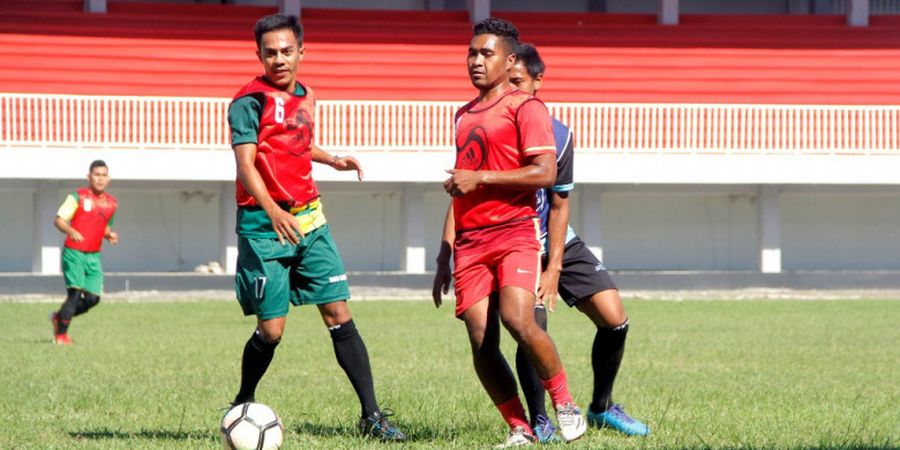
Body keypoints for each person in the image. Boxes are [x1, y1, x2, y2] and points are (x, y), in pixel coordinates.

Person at [226, 14, 404, 441]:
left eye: (287, 51)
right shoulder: (247, 101)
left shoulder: (307, 94)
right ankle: (241, 402)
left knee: (339, 313)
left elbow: (297, 143)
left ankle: (372, 416)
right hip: (265, 225)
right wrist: (272, 209)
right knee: (272, 331)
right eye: (270, 52)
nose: (279, 59)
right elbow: (246, 164)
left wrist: (332, 160)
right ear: (259, 55)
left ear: (301, 53)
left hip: (311, 220)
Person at [432, 18, 587, 447]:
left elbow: (544, 172)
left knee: (518, 319)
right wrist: (445, 257)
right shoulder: (463, 114)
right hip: (470, 243)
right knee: (481, 342)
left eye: (487, 53)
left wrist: (479, 177)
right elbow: (463, 185)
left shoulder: (526, 108)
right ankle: (519, 427)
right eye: (472, 52)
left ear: (510, 59)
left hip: (514, 234)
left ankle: (566, 403)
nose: (477, 61)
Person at [508, 43, 650, 441]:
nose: (514, 90)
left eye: (519, 82)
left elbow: (559, 202)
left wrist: (554, 266)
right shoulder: (498, 126)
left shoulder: (559, 133)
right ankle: (540, 421)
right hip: (515, 241)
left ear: (538, 82)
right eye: (509, 81)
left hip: (557, 240)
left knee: (614, 318)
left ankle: (602, 408)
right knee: (531, 326)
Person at [49, 159, 119, 345]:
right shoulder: (77, 197)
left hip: (94, 256)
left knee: (93, 298)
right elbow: (58, 220)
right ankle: (61, 336)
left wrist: (109, 235)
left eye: (104, 175)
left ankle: (59, 318)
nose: (100, 179)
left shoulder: (112, 204)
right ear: (89, 177)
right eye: (97, 175)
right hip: (74, 253)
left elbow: (104, 227)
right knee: (74, 294)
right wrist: (71, 231)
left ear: (109, 178)